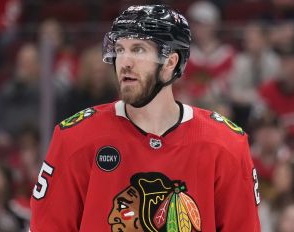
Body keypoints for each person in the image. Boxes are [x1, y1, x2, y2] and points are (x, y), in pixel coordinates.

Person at [30, 4, 260, 232]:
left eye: (138, 49)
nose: (125, 62)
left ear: (171, 62)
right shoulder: (75, 138)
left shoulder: (226, 144)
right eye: (119, 49)